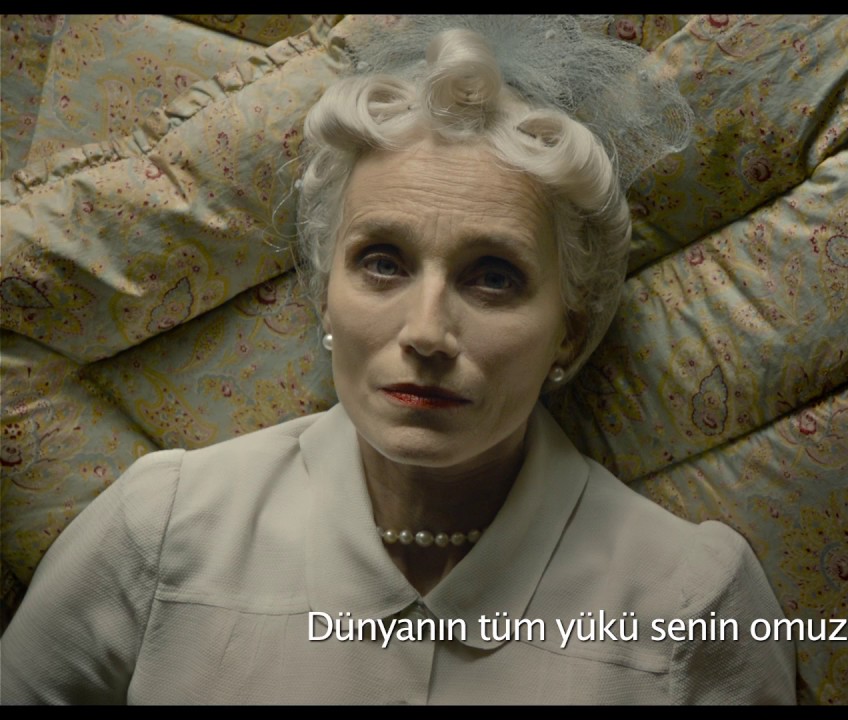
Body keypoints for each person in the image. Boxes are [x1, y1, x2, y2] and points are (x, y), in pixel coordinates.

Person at [0, 16, 797, 704]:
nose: (427, 331)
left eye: (494, 276)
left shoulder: (693, 605)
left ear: (570, 328)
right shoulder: (161, 531)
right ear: (324, 294)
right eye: (382, 262)